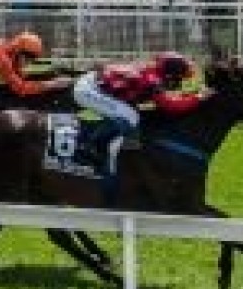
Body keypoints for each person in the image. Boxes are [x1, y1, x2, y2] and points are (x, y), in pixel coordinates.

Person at [73, 52, 207, 195]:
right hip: (88, 91)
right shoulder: (152, 80)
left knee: (128, 113)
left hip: (94, 84)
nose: (180, 83)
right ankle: (91, 145)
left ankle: (112, 142)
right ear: (170, 74)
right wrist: (198, 97)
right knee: (131, 116)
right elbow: (171, 106)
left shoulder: (154, 72)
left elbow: (167, 97)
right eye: (180, 78)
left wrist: (192, 95)